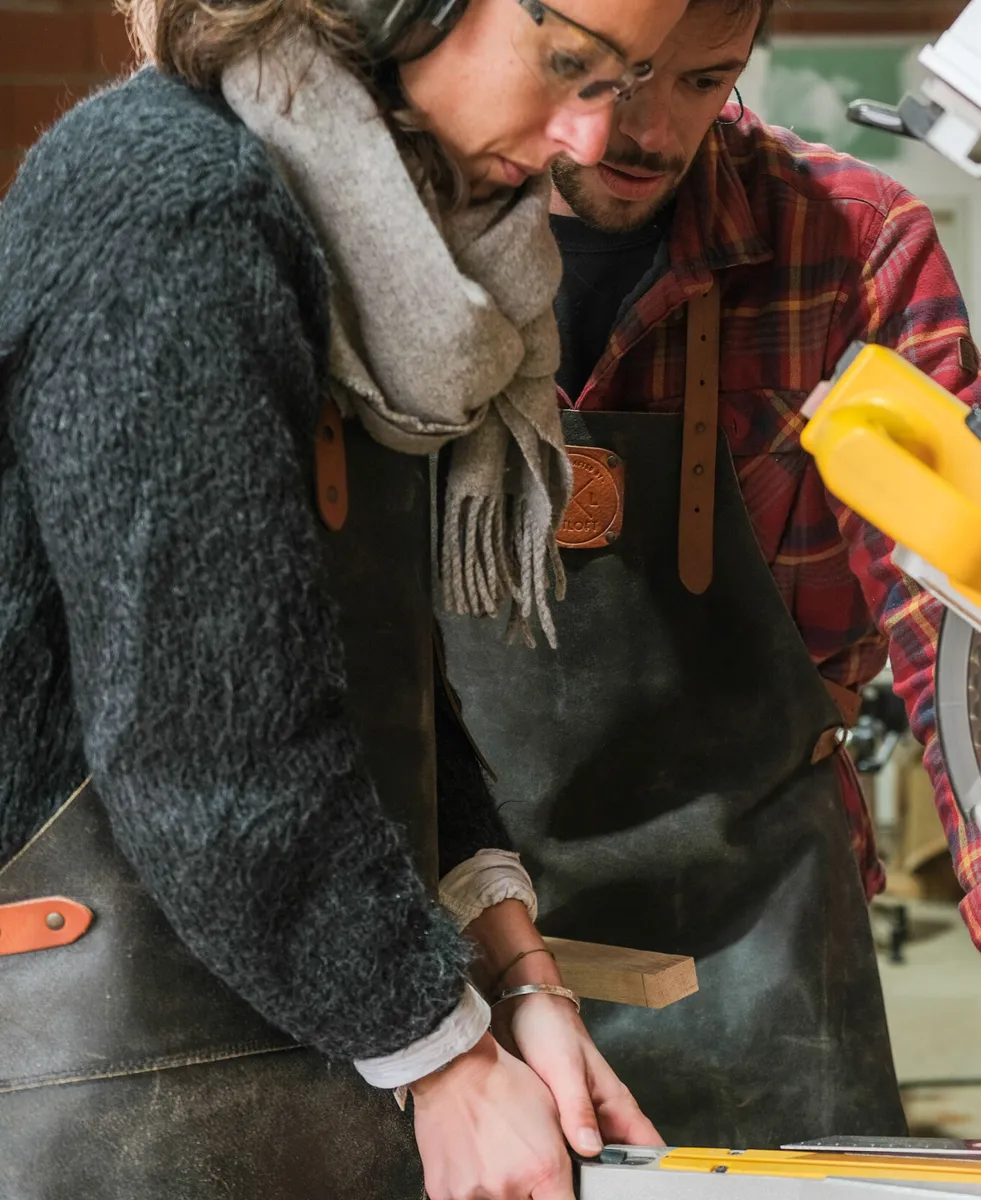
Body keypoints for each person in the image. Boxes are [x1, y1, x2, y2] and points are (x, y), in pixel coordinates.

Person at [438, 0, 981, 1147]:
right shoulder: (402, 240)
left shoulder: (849, 242)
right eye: (602, 76)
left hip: (756, 919)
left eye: (701, 83)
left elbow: (961, 608)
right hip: (445, 912)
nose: (639, 133)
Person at [0, 0, 685, 1193]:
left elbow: (361, 677)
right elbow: (209, 740)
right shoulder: (176, 201)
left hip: (325, 1028)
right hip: (110, 1073)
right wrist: (446, 1062)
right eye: (570, 63)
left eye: (622, 80)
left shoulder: (390, 252)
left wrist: (513, 971)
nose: (585, 138)